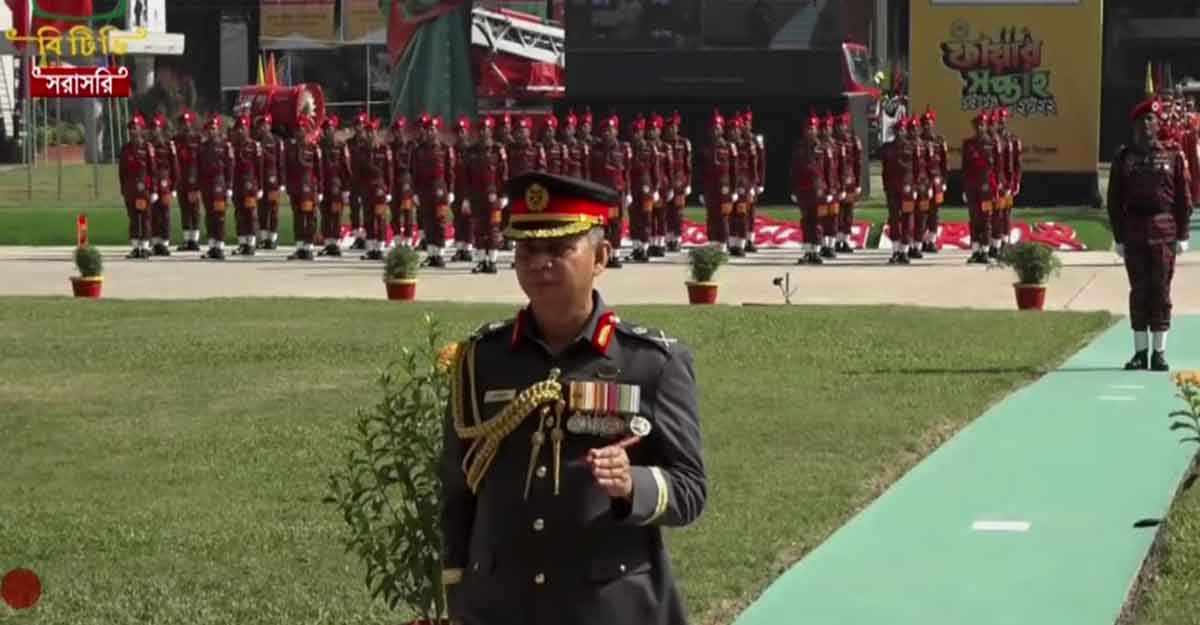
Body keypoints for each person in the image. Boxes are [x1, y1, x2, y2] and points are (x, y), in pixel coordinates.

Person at [440, 170, 707, 625]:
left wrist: (633, 485)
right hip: (501, 606)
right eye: (527, 250)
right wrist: (457, 590)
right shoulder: (481, 360)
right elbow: (457, 488)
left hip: (608, 606)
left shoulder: (651, 364)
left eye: (559, 248)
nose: (539, 263)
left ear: (600, 257)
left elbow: (690, 488)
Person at [1107, 97, 1192, 371]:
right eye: (1142, 121)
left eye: (1151, 120)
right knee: (1139, 291)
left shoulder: (1173, 155)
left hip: (1164, 229)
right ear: (1134, 126)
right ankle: (1140, 352)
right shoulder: (1124, 158)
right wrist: (1119, 237)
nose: (1146, 125)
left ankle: (1159, 353)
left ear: (1158, 124)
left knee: (1161, 291)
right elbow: (1114, 201)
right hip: (1134, 230)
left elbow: (1183, 198)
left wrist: (1183, 234)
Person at [464, 115, 508, 274]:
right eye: (481, 129)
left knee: (493, 228)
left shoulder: (498, 150)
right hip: (476, 196)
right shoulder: (471, 151)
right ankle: (482, 261)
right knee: (479, 228)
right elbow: (466, 177)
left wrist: (504, 195)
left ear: (491, 131)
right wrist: (466, 199)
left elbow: (503, 174)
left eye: (487, 129)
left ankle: (493, 261)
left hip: (493, 196)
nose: (484, 132)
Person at [589, 114, 631, 268]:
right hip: (600, 193)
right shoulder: (595, 149)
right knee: (601, 224)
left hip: (615, 193)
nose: (608, 133)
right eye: (605, 130)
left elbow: (627, 172)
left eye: (611, 130)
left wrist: (628, 192)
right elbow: (590, 171)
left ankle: (615, 255)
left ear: (616, 131)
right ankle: (602, 255)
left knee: (615, 224)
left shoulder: (623, 149)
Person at [412, 115, 454, 266]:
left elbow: (450, 171)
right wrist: (415, 192)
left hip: (440, 189)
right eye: (428, 129)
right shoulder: (418, 150)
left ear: (437, 130)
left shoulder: (445, 148)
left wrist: (451, 190)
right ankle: (431, 254)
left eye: (433, 129)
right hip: (424, 190)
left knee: (440, 221)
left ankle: (440, 254)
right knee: (428, 221)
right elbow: (414, 172)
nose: (430, 132)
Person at [790, 110, 829, 265]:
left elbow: (830, 171)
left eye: (812, 128)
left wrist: (830, 190)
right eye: (807, 129)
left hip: (819, 191)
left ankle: (816, 251)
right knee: (806, 221)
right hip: (803, 191)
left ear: (817, 129)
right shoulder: (798, 148)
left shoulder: (824, 148)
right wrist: (794, 190)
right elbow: (793, 171)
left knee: (818, 221)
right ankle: (807, 251)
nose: (810, 131)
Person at [284, 116, 323, 261]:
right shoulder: (290, 147)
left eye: (302, 128)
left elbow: (319, 170)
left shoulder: (313, 148)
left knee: (309, 217)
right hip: (295, 187)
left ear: (306, 130)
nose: (299, 131)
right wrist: (286, 185)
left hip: (308, 188)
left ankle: (309, 247)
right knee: (298, 217)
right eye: (297, 128)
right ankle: (299, 247)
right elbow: (286, 167)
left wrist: (320, 190)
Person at [961, 110, 997, 264]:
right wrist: (964, 188)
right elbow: (965, 168)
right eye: (977, 125)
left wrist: (996, 188)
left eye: (982, 125)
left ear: (986, 126)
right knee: (974, 219)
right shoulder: (968, 144)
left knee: (986, 220)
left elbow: (997, 168)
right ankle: (975, 251)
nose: (980, 128)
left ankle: (985, 251)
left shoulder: (993, 143)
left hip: (987, 187)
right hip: (972, 187)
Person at [119, 113, 156, 259]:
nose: (133, 131)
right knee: (133, 218)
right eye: (131, 128)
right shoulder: (125, 149)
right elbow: (121, 171)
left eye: (136, 128)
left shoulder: (147, 147)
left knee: (144, 218)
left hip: (143, 189)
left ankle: (145, 247)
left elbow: (153, 170)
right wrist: (123, 189)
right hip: (130, 189)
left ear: (141, 129)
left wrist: (153, 190)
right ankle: (135, 248)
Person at [199, 115, 235, 260]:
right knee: (209, 215)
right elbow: (198, 166)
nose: (211, 131)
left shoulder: (225, 146)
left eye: (213, 128)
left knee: (219, 215)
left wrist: (229, 186)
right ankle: (212, 246)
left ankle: (219, 246)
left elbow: (230, 167)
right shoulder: (202, 147)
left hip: (219, 183)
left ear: (218, 129)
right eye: (209, 129)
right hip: (206, 184)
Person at [700, 111, 736, 255]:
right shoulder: (706, 149)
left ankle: (723, 246)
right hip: (710, 188)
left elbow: (734, 171)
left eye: (717, 128)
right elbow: (702, 172)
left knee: (723, 218)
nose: (715, 131)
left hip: (724, 189)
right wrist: (702, 191)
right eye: (713, 128)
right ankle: (713, 243)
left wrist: (733, 190)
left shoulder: (729, 147)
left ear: (722, 129)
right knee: (711, 217)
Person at [360, 117, 395, 261]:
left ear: (376, 132)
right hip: (366, 188)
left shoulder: (384, 149)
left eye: (372, 131)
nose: (369, 134)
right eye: (367, 132)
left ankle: (379, 248)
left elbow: (389, 171)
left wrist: (389, 190)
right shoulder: (362, 150)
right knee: (368, 218)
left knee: (380, 217)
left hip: (379, 188)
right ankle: (370, 249)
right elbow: (357, 171)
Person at [318, 115, 352, 257]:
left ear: (334, 129)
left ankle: (336, 243)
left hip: (337, 186)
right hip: (323, 185)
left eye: (330, 128)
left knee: (336, 215)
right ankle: (328, 243)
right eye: (325, 129)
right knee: (325, 214)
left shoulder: (341, 146)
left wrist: (346, 189)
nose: (327, 131)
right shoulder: (319, 145)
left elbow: (346, 168)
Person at [148, 113, 179, 257]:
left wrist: (174, 187)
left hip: (165, 184)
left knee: (165, 214)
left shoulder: (168, 145)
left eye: (156, 128)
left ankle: (165, 243)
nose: (154, 131)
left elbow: (175, 166)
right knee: (154, 214)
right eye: (152, 128)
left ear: (160, 129)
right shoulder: (148, 146)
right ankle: (156, 243)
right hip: (152, 185)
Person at [919, 107, 948, 254]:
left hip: (936, 182)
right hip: (923, 183)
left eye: (930, 124)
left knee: (934, 213)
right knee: (922, 212)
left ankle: (931, 240)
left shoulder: (939, 141)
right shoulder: (918, 142)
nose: (927, 127)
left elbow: (944, 164)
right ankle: (922, 240)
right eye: (925, 124)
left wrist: (944, 182)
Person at [174, 110, 204, 252]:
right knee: (184, 209)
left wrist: (200, 182)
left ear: (191, 124)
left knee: (195, 210)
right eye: (182, 123)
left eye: (187, 122)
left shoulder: (197, 140)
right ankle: (187, 240)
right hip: (181, 180)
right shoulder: (175, 140)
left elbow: (202, 161)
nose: (185, 125)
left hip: (194, 180)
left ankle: (195, 240)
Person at [662, 112, 692, 252]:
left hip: (680, 183)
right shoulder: (662, 144)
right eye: (669, 128)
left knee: (678, 213)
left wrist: (688, 183)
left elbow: (688, 165)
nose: (672, 130)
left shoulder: (684, 143)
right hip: (665, 183)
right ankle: (668, 239)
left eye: (674, 127)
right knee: (665, 212)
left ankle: (677, 239)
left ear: (678, 128)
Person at [256, 114, 286, 250]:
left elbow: (281, 163)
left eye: (265, 125)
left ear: (269, 126)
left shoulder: (277, 141)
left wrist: (282, 182)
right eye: (261, 126)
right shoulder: (256, 141)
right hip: (260, 180)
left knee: (273, 209)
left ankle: (272, 239)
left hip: (273, 180)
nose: (263, 128)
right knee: (262, 209)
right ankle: (263, 238)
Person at [834, 111, 863, 254]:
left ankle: (845, 240)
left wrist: (858, 183)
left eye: (844, 125)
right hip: (836, 181)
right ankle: (835, 240)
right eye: (839, 125)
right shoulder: (832, 142)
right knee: (836, 212)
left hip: (850, 179)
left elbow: (858, 163)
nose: (841, 128)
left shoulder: (853, 141)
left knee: (848, 212)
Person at [388, 116, 417, 249]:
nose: (398, 133)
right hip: (394, 182)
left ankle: (408, 239)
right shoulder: (390, 147)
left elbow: (414, 166)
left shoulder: (410, 146)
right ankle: (397, 238)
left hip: (406, 182)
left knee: (407, 211)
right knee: (394, 211)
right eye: (396, 130)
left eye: (400, 130)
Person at [451, 117, 475, 262]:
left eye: (463, 131)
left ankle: (468, 248)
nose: (460, 134)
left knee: (469, 220)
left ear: (467, 132)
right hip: (456, 189)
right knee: (457, 219)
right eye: (458, 132)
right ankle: (459, 248)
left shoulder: (472, 151)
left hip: (469, 190)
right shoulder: (452, 150)